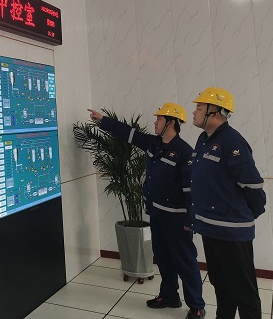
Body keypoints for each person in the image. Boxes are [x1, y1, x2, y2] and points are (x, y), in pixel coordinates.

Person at [88, 104, 205, 319]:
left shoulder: (184, 152)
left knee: (185, 261)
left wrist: (191, 219)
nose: (155, 122)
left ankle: (196, 306)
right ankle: (169, 296)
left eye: (159, 119)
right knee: (163, 258)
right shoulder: (153, 143)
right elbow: (128, 133)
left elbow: (191, 190)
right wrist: (103, 121)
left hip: (177, 218)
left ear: (171, 122)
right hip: (157, 214)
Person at [190, 87, 266, 319]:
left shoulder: (232, 142)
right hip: (210, 229)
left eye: (199, 107)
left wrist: (243, 216)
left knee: (244, 293)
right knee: (221, 287)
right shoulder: (204, 140)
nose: (194, 112)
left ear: (215, 112)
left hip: (232, 232)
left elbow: (253, 186)